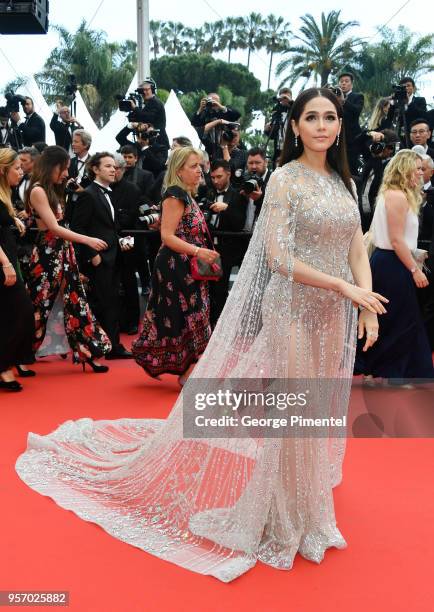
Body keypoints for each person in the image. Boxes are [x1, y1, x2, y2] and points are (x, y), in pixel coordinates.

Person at [15, 88, 388, 582]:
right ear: (295, 126)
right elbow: (277, 259)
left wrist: (366, 304)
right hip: (292, 309)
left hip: (331, 314)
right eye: (311, 117)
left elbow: (354, 247)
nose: (322, 125)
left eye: (330, 117)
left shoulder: (342, 184)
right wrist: (344, 287)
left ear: (340, 125)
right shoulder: (284, 180)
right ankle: (282, 516)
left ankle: (305, 510)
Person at [132, 146, 219, 384]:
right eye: (193, 166)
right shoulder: (174, 194)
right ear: (179, 170)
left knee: (194, 318)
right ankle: (189, 372)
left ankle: (188, 371)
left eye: (200, 166)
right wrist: (198, 250)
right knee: (192, 318)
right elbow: (167, 236)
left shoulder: (187, 195)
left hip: (190, 268)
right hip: (176, 268)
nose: (199, 171)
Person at [25, 145, 111, 371]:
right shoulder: (37, 191)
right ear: (53, 166)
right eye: (64, 169)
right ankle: (19, 354)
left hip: (63, 252)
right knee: (39, 304)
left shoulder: (52, 189)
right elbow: (53, 227)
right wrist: (87, 240)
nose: (66, 174)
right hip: (47, 255)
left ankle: (87, 353)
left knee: (77, 302)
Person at [355, 150, 434, 384]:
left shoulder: (392, 194)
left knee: (390, 317)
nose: (421, 172)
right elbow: (397, 240)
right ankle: (396, 373)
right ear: (405, 168)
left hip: (387, 261)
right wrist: (415, 269)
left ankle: (378, 370)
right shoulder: (397, 196)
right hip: (393, 264)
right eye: (417, 168)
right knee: (401, 319)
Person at [70, 152, 133, 360]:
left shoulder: (108, 192)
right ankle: (104, 346)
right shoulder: (88, 194)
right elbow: (78, 227)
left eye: (114, 167)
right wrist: (92, 254)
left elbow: (107, 226)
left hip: (114, 256)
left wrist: (119, 242)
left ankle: (111, 346)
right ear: (95, 169)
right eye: (108, 166)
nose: (113, 170)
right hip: (99, 258)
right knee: (102, 303)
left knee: (112, 301)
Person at [0, 149, 35, 391]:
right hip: (2, 260)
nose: (21, 172)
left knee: (11, 314)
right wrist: (5, 264)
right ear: (3, 170)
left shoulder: (6, 194)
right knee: (18, 312)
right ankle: (3, 367)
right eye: (17, 168)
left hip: (6, 256)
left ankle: (5, 365)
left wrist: (14, 219)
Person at [338, 72, 364, 175]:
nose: (343, 84)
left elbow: (357, 111)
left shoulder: (358, 96)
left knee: (351, 167)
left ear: (351, 84)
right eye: (341, 81)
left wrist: (343, 101)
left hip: (353, 139)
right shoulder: (334, 97)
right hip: (338, 137)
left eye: (346, 81)